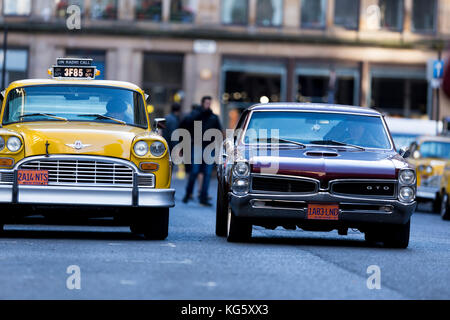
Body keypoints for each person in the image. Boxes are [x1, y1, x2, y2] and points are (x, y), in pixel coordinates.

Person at [182, 96, 222, 206]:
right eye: (206, 103)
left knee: (207, 174)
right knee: (194, 171)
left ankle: (203, 197)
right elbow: (186, 124)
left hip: (209, 148)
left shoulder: (214, 117)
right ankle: (188, 193)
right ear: (202, 103)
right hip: (197, 146)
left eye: (210, 103)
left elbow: (218, 131)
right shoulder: (196, 114)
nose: (208, 105)